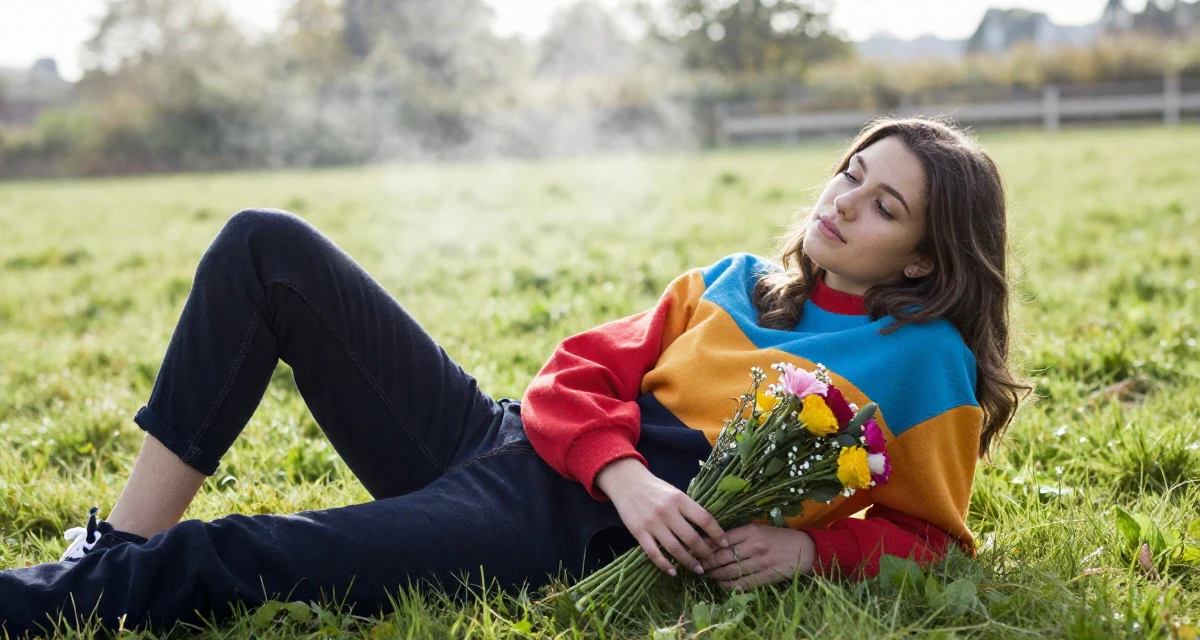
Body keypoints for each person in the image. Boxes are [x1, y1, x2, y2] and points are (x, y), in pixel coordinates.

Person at [0, 116, 1027, 635]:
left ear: (925, 259)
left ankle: (47, 600)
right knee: (265, 247)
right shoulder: (733, 281)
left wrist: (808, 553)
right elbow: (573, 374)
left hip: (553, 533)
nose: (844, 202)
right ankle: (121, 539)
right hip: (511, 444)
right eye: (852, 172)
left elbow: (931, 540)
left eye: (885, 206)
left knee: (242, 555)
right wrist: (625, 472)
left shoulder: (925, 364)